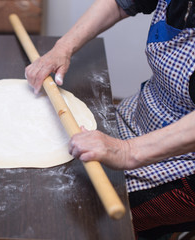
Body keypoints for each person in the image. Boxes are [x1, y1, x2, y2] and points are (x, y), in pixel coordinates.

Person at [25, 0, 195, 238]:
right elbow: (118, 4)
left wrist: (126, 151)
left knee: (95, 219)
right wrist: (63, 48)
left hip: (186, 165)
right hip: (146, 113)